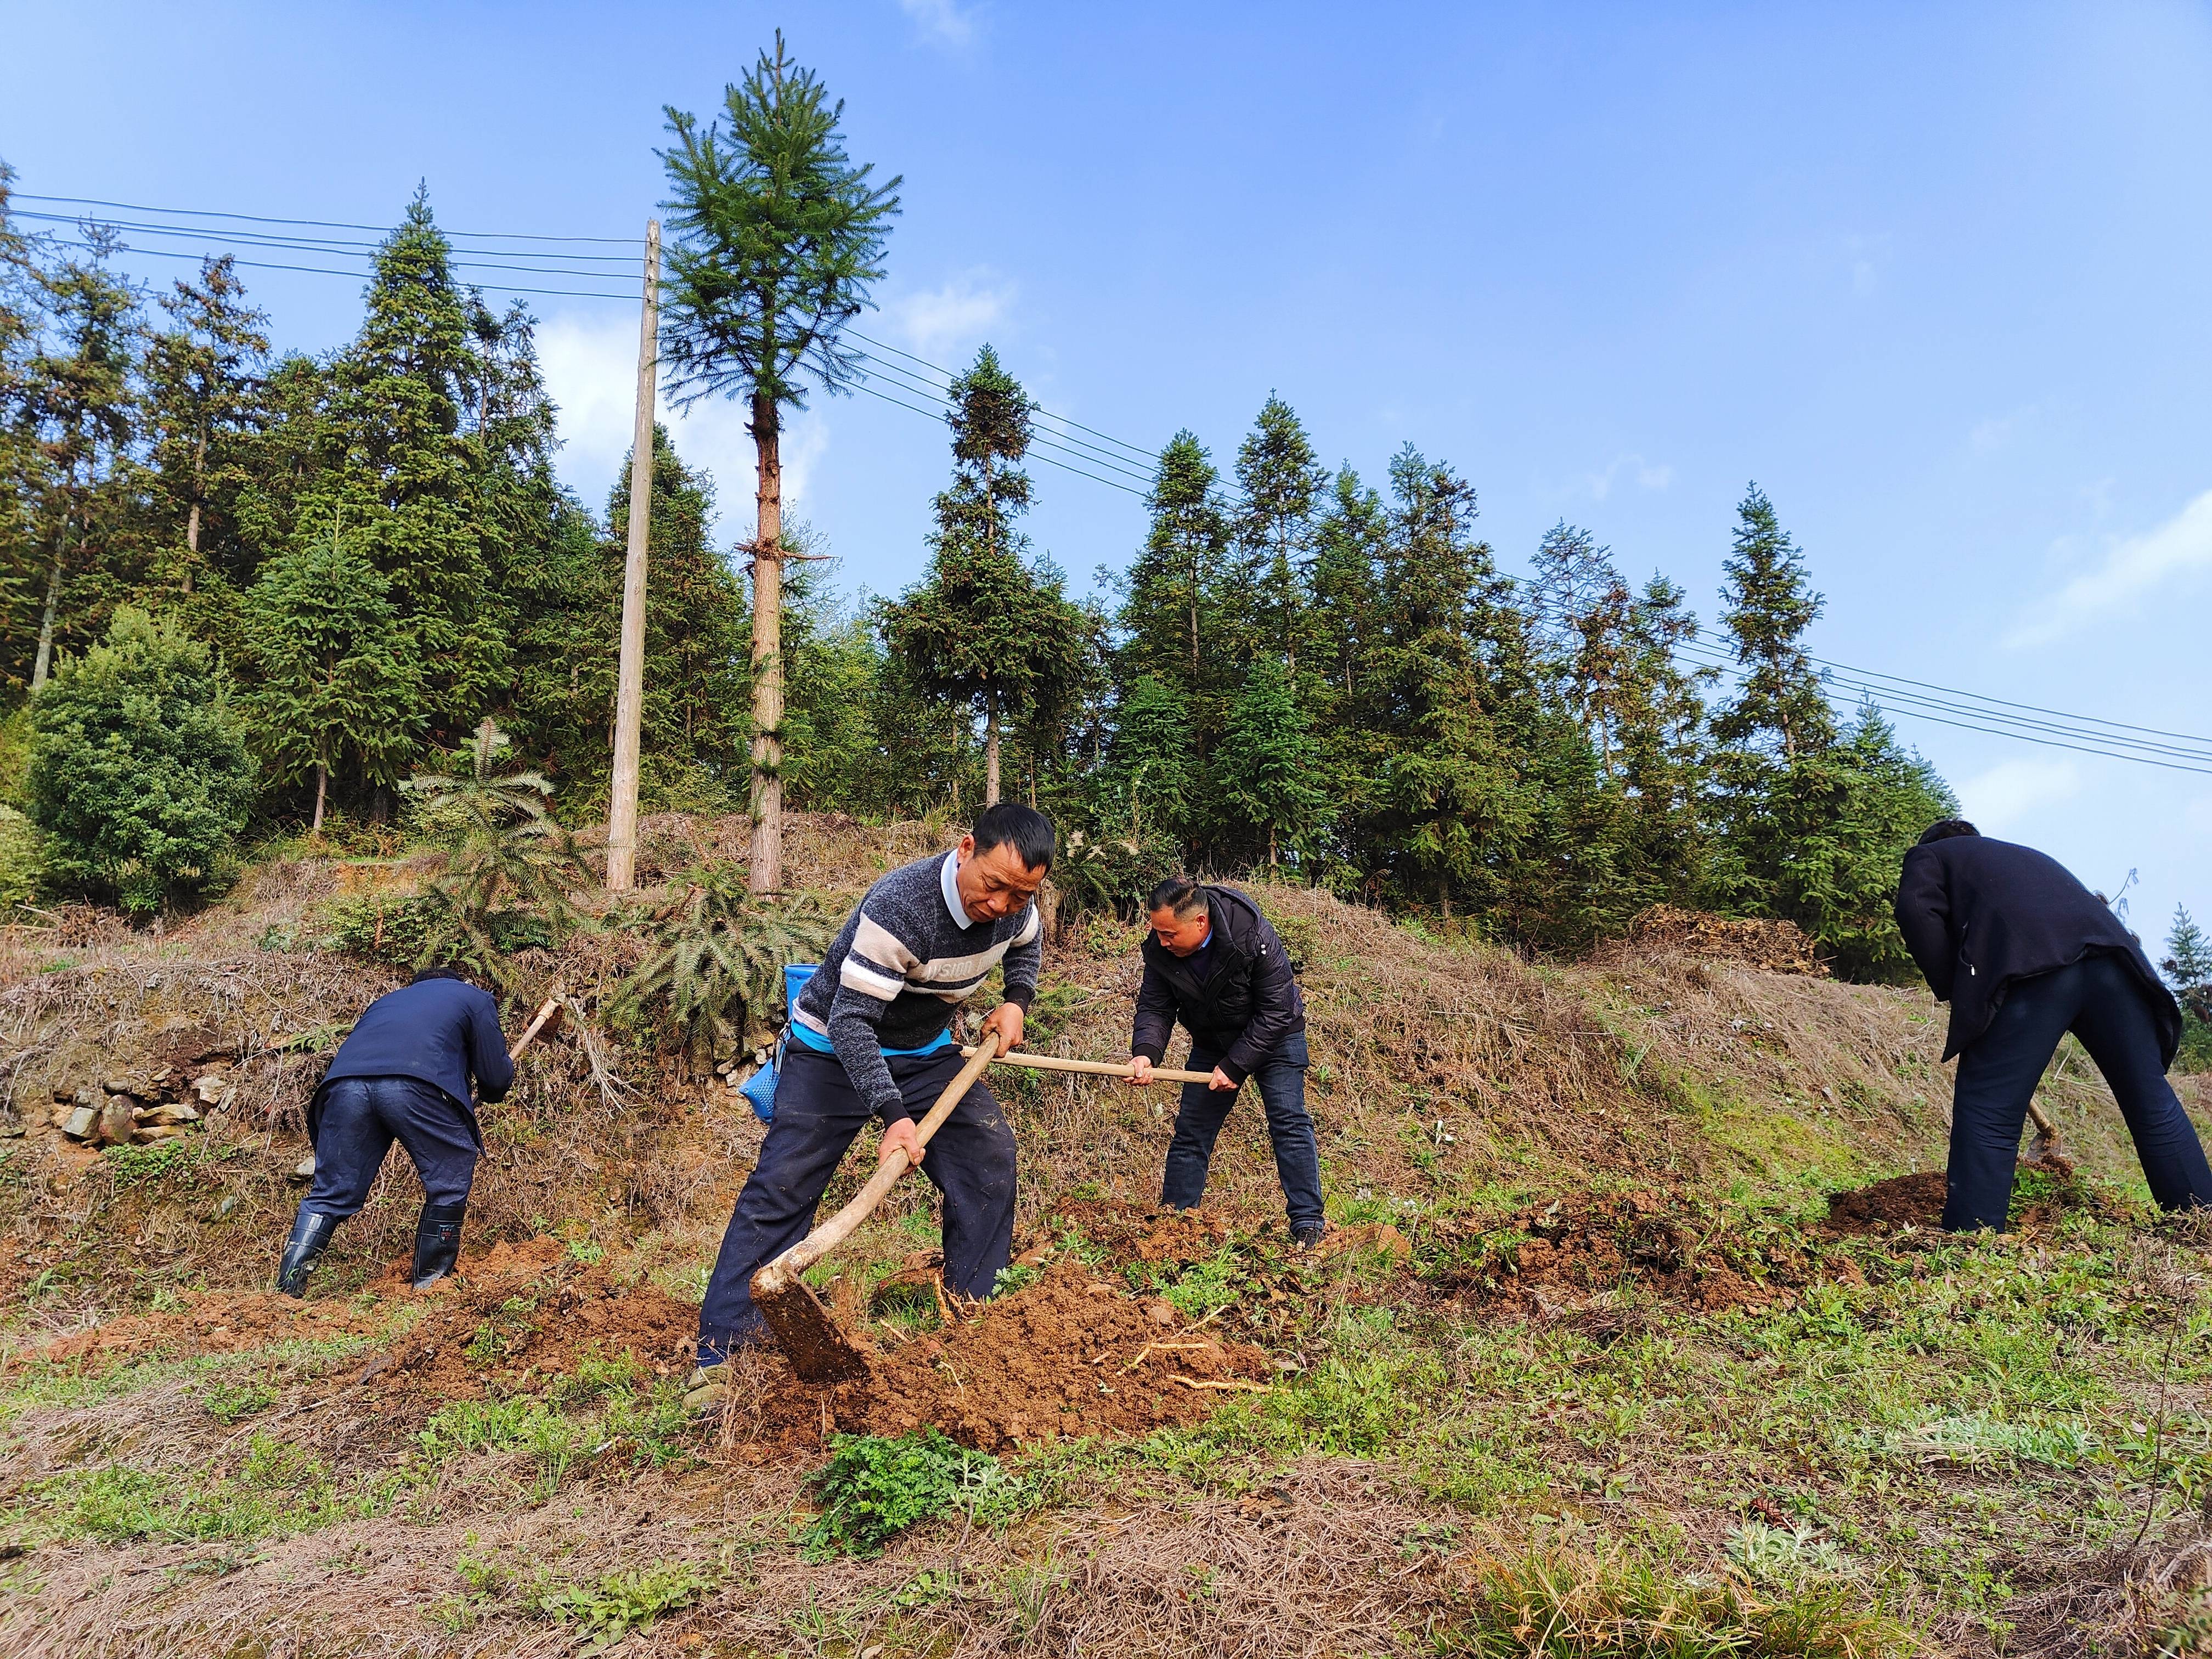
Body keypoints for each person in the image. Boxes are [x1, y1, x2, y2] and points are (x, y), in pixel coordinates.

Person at [687, 803, 1053, 1402]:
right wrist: (893, 1115)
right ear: (966, 849)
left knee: (987, 1157)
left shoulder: (1018, 904)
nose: (1002, 906)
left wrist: (1017, 1000)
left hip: (924, 1048)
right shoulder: (902, 907)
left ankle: (975, 1320)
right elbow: (852, 1022)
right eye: (994, 888)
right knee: (783, 1186)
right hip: (831, 1046)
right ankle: (722, 1358)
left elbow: (1026, 947)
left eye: (1020, 895)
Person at [1893, 819, 2212, 1231]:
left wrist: (1953, 983)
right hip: (2115, 965)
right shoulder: (2027, 857)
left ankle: (1974, 1235)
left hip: (2031, 967)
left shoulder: (1932, 854)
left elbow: (1915, 909)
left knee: (1989, 1105)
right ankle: (2201, 1219)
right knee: (2151, 1100)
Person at [275, 965, 514, 1295]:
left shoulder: (387, 1002)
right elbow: (496, 1077)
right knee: (448, 1178)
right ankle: (430, 1287)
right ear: (455, 982)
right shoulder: (474, 998)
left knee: (331, 1192)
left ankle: (286, 1292)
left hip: (344, 1089)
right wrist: (491, 1092)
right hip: (415, 1084)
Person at [1125, 875, 1324, 1246]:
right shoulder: (1160, 949)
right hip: (1213, 1040)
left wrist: (1235, 1066)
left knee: (1288, 1121)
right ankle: (1175, 1226)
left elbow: (1278, 1010)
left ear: (1199, 922)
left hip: (1276, 1037)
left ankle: (1308, 1223)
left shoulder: (1251, 934)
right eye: (1158, 933)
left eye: (1170, 934)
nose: (1163, 942)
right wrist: (1146, 1054)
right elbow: (1155, 1006)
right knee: (1191, 1134)